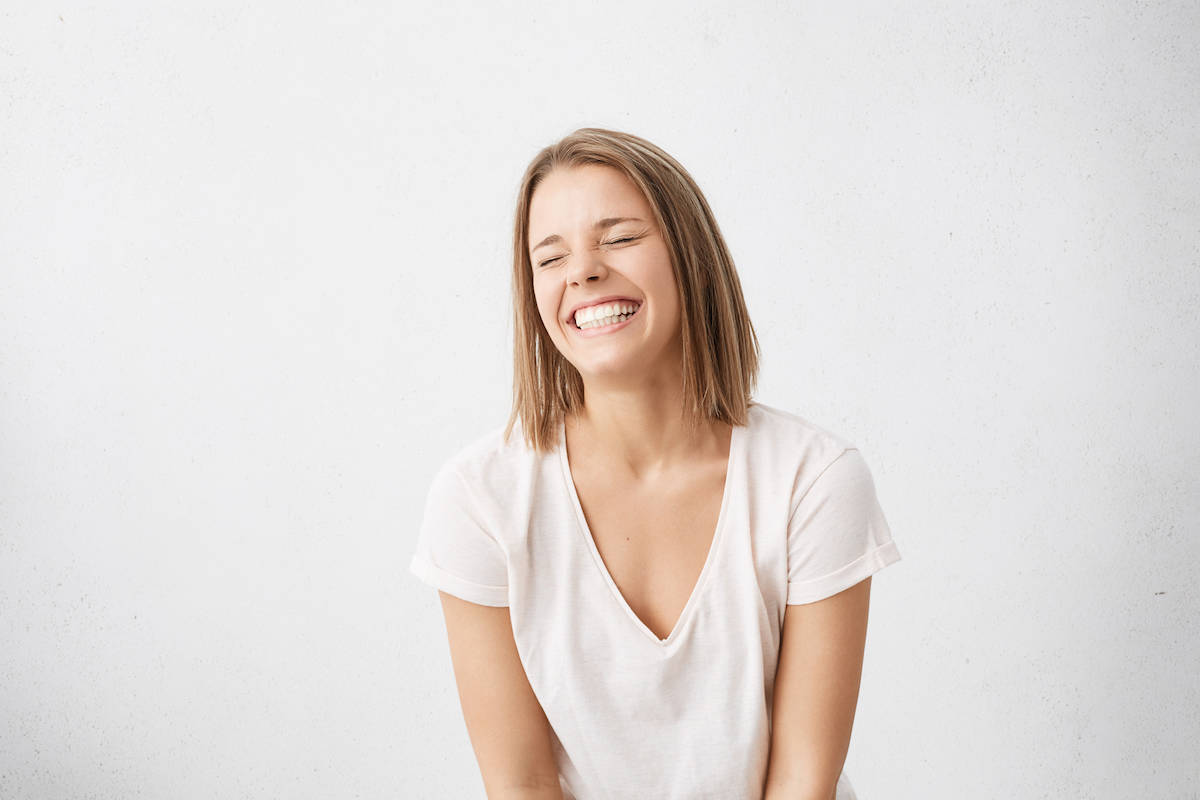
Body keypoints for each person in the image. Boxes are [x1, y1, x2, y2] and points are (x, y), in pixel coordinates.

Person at [408, 127, 903, 800]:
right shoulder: (479, 498)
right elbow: (521, 783)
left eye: (619, 238)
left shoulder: (813, 480)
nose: (583, 270)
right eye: (550, 257)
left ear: (690, 258)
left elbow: (800, 783)